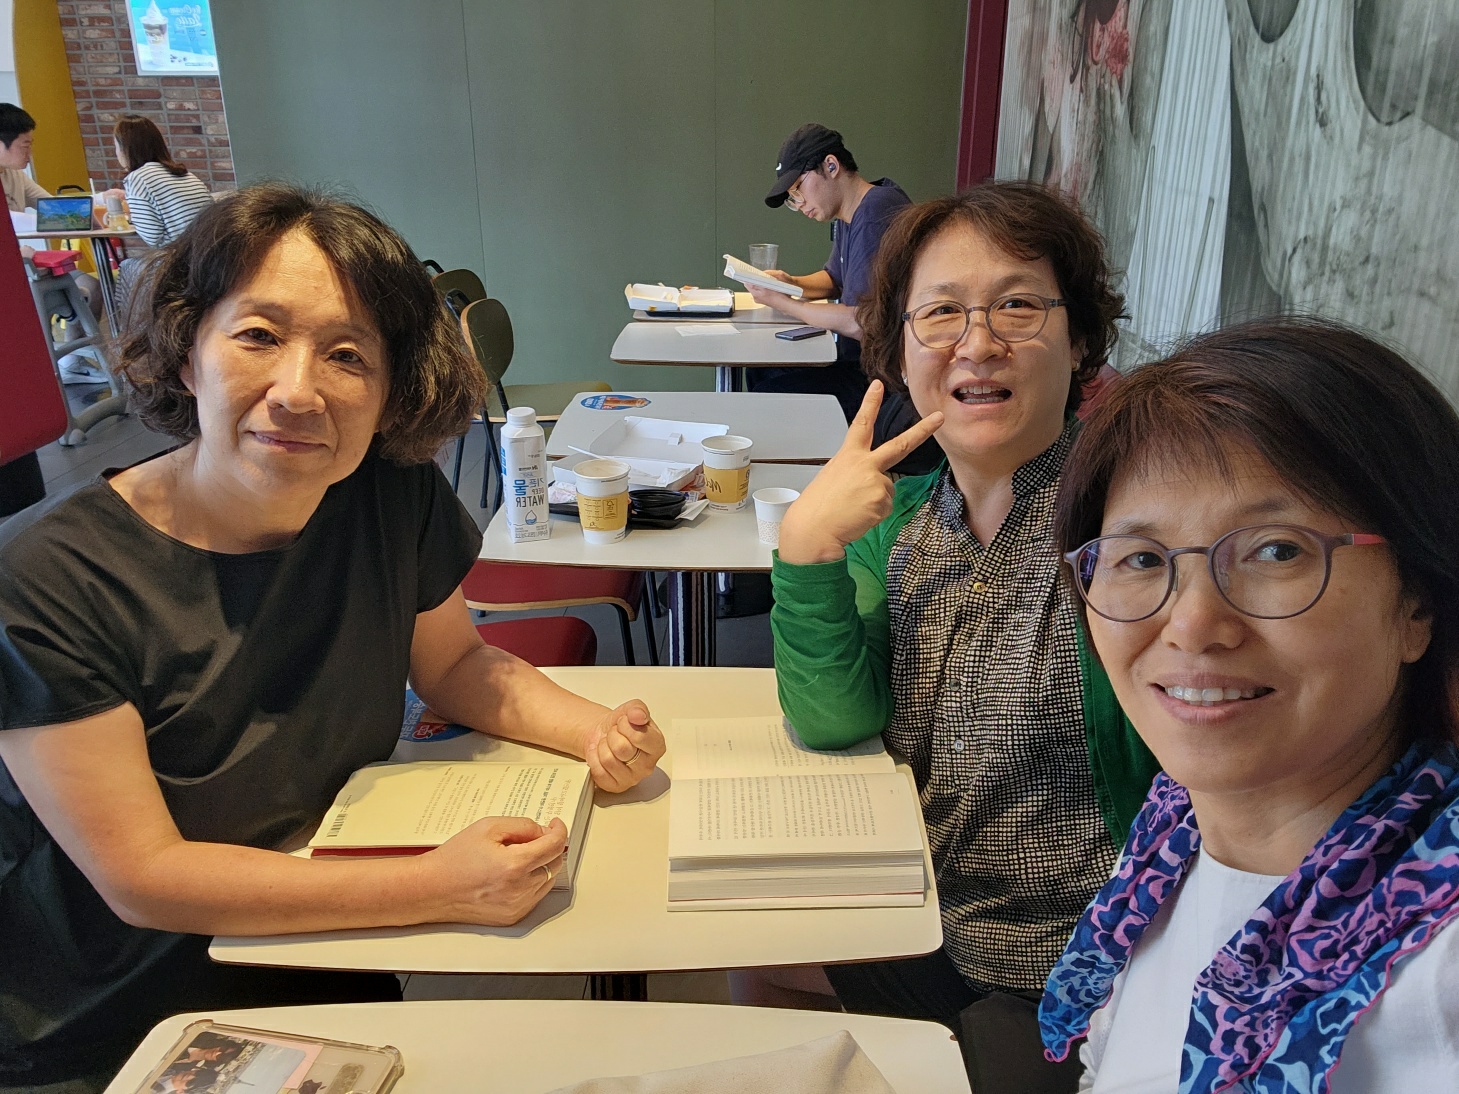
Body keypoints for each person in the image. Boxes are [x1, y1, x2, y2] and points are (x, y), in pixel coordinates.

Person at [0, 183, 667, 1092]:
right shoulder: (49, 578)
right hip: (111, 1013)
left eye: (348, 355)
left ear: (392, 391)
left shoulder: (385, 491)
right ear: (187, 352)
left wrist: (595, 731)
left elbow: (455, 662)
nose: (297, 391)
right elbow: (142, 877)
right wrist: (435, 886)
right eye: (258, 335)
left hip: (320, 943)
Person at [765, 182, 1160, 1056]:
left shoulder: (1133, 531)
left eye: (1017, 306)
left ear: (1079, 341)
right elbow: (834, 718)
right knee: (749, 968)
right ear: (900, 352)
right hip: (916, 918)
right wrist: (806, 548)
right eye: (940, 313)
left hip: (1080, 974)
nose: (977, 344)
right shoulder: (898, 524)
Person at [1041, 318, 1459, 1092]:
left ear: (1416, 605)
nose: (1193, 623)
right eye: (1141, 558)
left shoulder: (1440, 969)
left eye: (1275, 550)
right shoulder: (1166, 840)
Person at [751, 123, 911, 425]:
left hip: (880, 383)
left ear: (831, 165)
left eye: (797, 189)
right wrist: (790, 283)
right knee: (761, 369)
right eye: (792, 198)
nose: (799, 205)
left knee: (767, 394)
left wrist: (785, 303)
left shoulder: (876, 212)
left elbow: (861, 321)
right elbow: (834, 279)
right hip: (856, 364)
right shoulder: (849, 215)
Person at [102, 114, 213, 314]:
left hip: (181, 261)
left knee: (127, 268)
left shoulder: (137, 178)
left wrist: (129, 213)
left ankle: (132, 329)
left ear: (126, 149)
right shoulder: (183, 173)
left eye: (116, 146)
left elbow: (152, 236)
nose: (116, 152)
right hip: (209, 256)